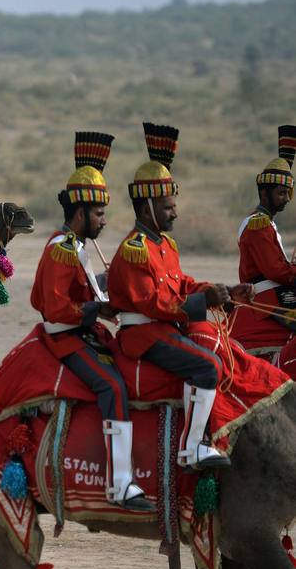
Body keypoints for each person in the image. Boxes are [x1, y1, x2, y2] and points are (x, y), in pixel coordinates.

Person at [107, 122, 251, 471]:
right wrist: (205, 303)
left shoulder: (164, 245)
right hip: (143, 335)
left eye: (173, 206)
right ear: (146, 210)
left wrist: (222, 291)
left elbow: (181, 283)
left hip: (163, 329)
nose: (175, 212)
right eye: (168, 207)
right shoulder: (134, 250)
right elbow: (152, 303)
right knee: (207, 366)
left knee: (219, 354)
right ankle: (192, 449)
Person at [30, 132, 149, 509]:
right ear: (80, 214)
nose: (104, 221)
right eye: (99, 214)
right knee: (112, 387)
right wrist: (100, 309)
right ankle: (119, 482)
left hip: (84, 330)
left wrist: (107, 290)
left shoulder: (77, 248)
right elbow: (55, 308)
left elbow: (83, 293)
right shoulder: (61, 250)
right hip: (64, 337)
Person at [231, 125, 296, 359]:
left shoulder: (266, 223)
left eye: (288, 193)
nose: (286, 199)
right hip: (269, 301)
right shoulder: (258, 225)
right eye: (281, 193)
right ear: (264, 193)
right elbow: (275, 270)